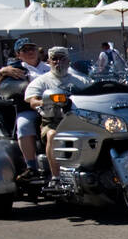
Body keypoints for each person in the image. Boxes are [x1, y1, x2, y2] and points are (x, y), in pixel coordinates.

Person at [0, 38, 49, 174]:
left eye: (32, 48)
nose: (29, 52)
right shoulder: (15, 69)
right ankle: (31, 166)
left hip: (55, 108)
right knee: (23, 125)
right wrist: (2, 72)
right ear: (18, 54)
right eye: (24, 50)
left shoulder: (49, 68)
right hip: (29, 108)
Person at [25, 47, 84, 186]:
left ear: (68, 61)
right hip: (53, 122)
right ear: (49, 61)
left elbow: (95, 94)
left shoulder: (81, 80)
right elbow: (32, 101)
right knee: (52, 135)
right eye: (54, 59)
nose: (58, 62)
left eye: (62, 58)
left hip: (79, 121)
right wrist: (46, 101)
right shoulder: (41, 81)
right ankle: (56, 177)